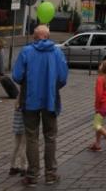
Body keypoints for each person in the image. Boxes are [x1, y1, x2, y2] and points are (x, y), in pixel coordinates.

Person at [12, 24, 68, 186]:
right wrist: (52, 87)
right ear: (48, 36)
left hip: (29, 101)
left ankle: (32, 176)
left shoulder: (27, 51)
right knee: (50, 137)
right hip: (50, 100)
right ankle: (50, 174)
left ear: (35, 37)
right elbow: (63, 77)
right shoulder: (57, 52)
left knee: (32, 138)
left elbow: (16, 75)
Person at [9, 99, 27, 176]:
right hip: (24, 126)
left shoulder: (17, 100)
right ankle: (23, 168)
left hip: (17, 125)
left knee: (16, 146)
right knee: (23, 146)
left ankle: (12, 167)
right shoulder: (26, 101)